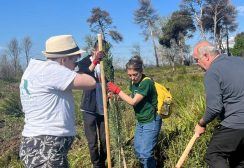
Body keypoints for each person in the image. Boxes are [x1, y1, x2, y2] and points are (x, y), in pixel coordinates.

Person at [19, 35, 97, 167]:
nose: (75, 64)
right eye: (75, 59)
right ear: (63, 59)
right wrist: (92, 63)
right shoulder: (52, 70)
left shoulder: (35, 69)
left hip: (38, 145)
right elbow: (90, 82)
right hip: (46, 148)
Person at [193, 41, 244, 168]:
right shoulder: (239, 60)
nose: (197, 64)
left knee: (214, 155)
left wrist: (201, 124)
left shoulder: (212, 72)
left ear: (206, 56)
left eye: (197, 60)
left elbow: (214, 108)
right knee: (238, 160)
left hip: (238, 124)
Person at [107, 56, 162, 168]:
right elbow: (133, 96)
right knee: (138, 150)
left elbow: (133, 101)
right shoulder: (133, 83)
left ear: (141, 71)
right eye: (129, 75)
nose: (132, 78)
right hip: (141, 121)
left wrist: (117, 90)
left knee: (146, 153)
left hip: (151, 121)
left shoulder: (146, 83)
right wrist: (117, 97)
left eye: (135, 74)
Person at [77, 40, 107, 168]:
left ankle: (103, 161)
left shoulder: (106, 63)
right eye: (100, 52)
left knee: (104, 140)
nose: (102, 55)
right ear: (94, 50)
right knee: (92, 142)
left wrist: (111, 91)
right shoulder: (84, 62)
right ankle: (97, 165)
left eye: (104, 53)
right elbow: (85, 75)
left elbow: (110, 80)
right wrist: (95, 61)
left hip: (103, 106)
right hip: (89, 107)